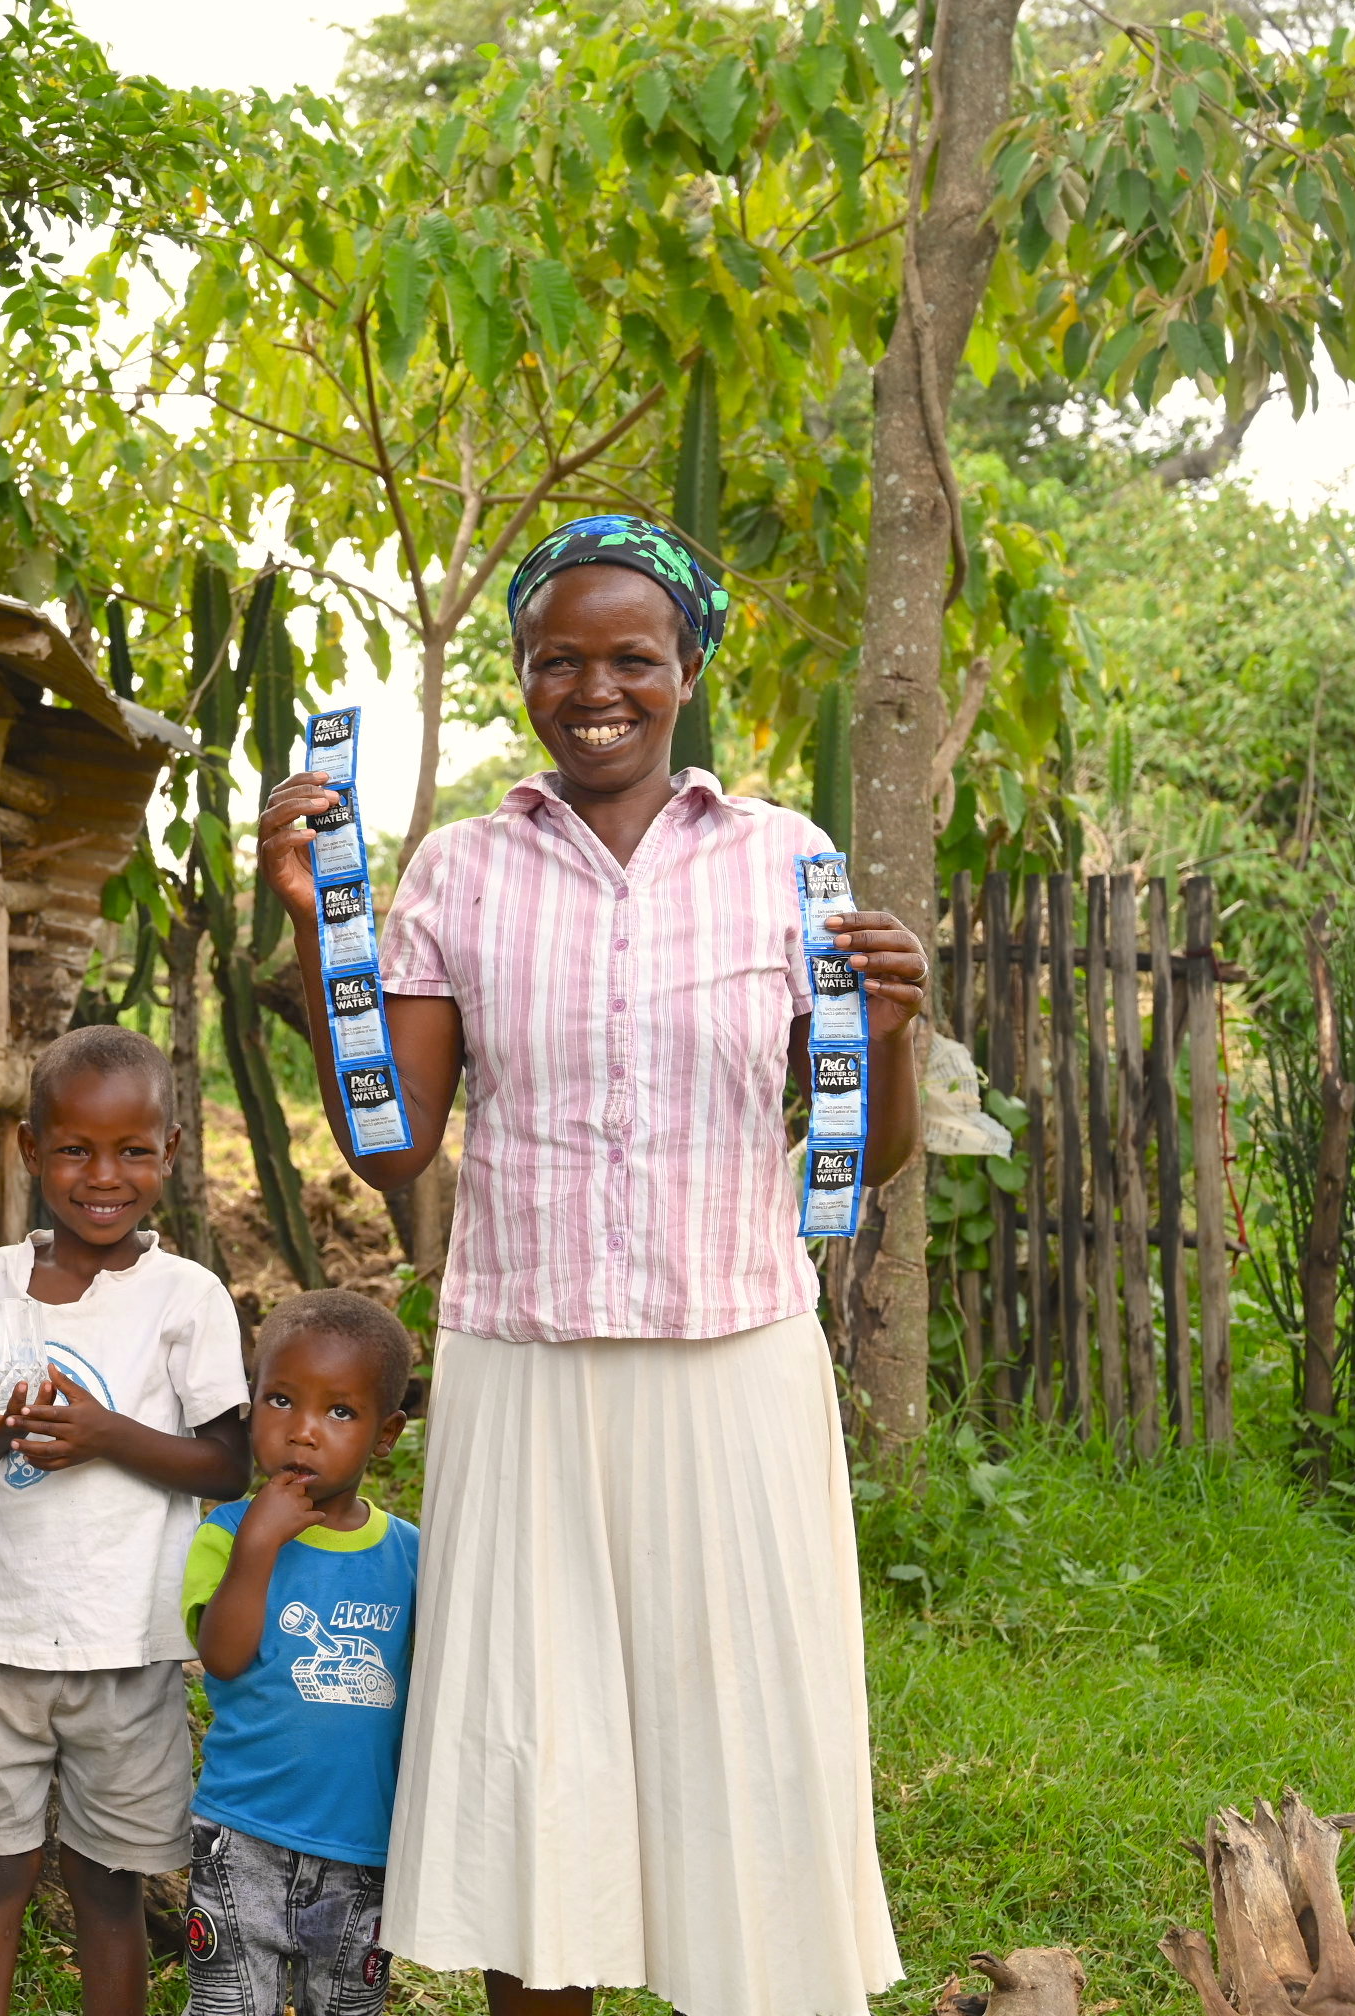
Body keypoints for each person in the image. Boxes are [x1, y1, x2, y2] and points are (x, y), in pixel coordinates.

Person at [255, 513, 927, 2016]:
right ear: (523, 676)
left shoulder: (784, 863)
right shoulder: (459, 873)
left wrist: (888, 1033)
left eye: (633, 656)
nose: (594, 688)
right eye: (559, 660)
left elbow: (859, 1158)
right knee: (532, 1773)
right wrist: (318, 931)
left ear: (688, 667)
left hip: (734, 1370)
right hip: (528, 1372)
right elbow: (393, 1144)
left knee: (746, 1761)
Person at [0, 1024, 253, 2016]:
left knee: (108, 1885)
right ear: (30, 1151)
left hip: (128, 1650)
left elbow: (229, 1463)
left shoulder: (184, 1298)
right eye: (74, 1149)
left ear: (172, 1152)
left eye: (132, 1151)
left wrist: (108, 1433)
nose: (102, 1175)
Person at [180, 1289, 419, 2016]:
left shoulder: (412, 1557)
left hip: (362, 1851)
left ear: (386, 1434)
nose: (304, 1432)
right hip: (241, 1838)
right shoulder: (226, 1533)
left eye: (339, 1412)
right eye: (281, 1401)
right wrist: (258, 1543)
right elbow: (222, 1657)